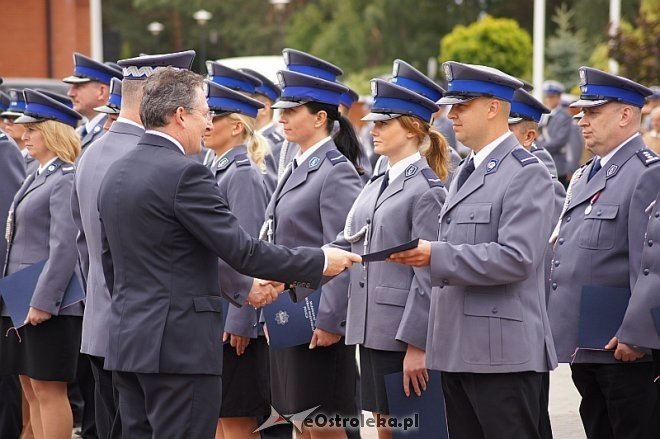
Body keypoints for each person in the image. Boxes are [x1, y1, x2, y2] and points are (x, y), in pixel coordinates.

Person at [96, 66, 359, 439]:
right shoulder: (186, 174)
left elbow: (112, 264)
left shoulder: (117, 173)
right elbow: (243, 251)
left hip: (128, 341)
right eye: (205, 112)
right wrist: (320, 261)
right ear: (180, 115)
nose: (207, 123)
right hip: (180, 350)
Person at [389, 61, 557, 439]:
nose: (451, 115)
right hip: (458, 347)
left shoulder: (525, 172)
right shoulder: (467, 170)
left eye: (462, 105)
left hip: (502, 357)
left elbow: (517, 258)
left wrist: (436, 255)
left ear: (493, 108)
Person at [70, 50, 196, 439]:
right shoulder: (153, 156)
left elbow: (83, 243)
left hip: (99, 326)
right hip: (145, 332)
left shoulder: (91, 153)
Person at [330, 78, 448, 439]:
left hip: (401, 336)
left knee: (412, 431)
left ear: (412, 128)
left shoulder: (426, 190)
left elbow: (429, 275)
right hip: (373, 329)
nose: (373, 129)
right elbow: (349, 242)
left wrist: (418, 345)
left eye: (383, 123)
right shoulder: (379, 180)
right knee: (384, 426)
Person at [547, 66, 660, 439]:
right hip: (588, 344)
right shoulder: (587, 174)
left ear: (626, 115)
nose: (582, 122)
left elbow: (653, 262)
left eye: (593, 113)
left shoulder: (647, 173)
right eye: (580, 114)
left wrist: (637, 335)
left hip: (625, 349)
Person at [261, 68, 363, 439]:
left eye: (292, 111)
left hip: (314, 317)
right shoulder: (297, 164)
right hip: (289, 312)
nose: (282, 118)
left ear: (321, 118)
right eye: (281, 111)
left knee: (324, 426)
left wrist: (330, 319)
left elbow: (344, 249)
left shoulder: (335, 171)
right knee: (299, 422)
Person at [0, 89, 83, 439]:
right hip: (20, 295)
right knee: (30, 389)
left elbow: (64, 247)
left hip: (48, 302)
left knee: (49, 390)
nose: (25, 134)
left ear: (52, 132)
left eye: (33, 129)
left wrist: (42, 301)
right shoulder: (37, 173)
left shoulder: (63, 178)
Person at [201, 81, 272, 439]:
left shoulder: (241, 175)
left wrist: (243, 320)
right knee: (220, 415)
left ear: (237, 127)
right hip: (218, 310)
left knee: (237, 419)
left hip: (233, 316)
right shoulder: (217, 168)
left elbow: (248, 252)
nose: (208, 122)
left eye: (217, 116)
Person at [507, 87, 566, 439]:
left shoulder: (537, 167)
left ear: (530, 135)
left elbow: (552, 231)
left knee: (529, 416)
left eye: (509, 127)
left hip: (526, 307)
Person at [206, 61, 277, 195]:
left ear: (237, 126)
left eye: (213, 118)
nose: (206, 125)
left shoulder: (243, 172)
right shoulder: (216, 160)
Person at [0, 81, 26, 439]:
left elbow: (9, 227)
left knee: (7, 382)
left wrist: (12, 295)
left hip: (3, 291)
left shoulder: (4, 149)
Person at [63, 52, 122, 156]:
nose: (70, 93)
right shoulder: (80, 131)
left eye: (78, 86)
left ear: (102, 92)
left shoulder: (112, 130)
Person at [537, 80, 573, 186]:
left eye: (552, 97)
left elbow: (558, 142)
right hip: (542, 163)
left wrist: (537, 147)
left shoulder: (564, 116)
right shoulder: (543, 115)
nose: (548, 100)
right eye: (547, 97)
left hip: (558, 164)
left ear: (559, 98)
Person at [1, 89, 37, 174]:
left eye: (15, 119)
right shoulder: (8, 155)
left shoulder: (37, 161)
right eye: (7, 118)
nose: (8, 123)